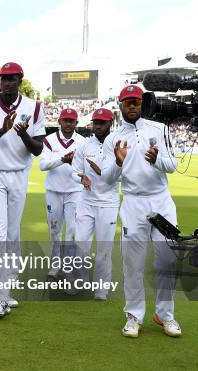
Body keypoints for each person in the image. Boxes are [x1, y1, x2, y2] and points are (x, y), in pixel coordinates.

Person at [101, 85, 181, 338]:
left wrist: (156, 159)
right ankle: (134, 316)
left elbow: (173, 165)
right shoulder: (113, 138)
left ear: (142, 103)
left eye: (136, 101)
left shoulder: (160, 129)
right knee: (132, 263)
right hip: (133, 203)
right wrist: (118, 161)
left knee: (167, 260)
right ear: (121, 105)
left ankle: (165, 315)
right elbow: (106, 179)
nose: (132, 106)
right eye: (128, 102)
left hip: (161, 202)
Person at [0, 61, 46, 318]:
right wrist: (0, 132)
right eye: (3, 79)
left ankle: (8, 288)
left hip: (19, 174)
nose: (7, 83)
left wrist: (22, 134)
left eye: (12, 79)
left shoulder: (34, 108)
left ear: (20, 81)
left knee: (12, 233)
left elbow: (37, 149)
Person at [71, 108, 119, 300]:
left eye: (102, 123)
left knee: (104, 249)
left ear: (110, 123)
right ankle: (79, 281)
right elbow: (74, 171)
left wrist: (102, 172)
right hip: (86, 201)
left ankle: (101, 288)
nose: (97, 126)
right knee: (80, 245)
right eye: (95, 123)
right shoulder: (84, 145)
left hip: (108, 203)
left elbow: (122, 174)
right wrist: (81, 178)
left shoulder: (118, 144)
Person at [39, 108, 86, 279]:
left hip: (75, 191)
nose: (68, 124)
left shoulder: (82, 141)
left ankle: (67, 264)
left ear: (76, 123)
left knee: (72, 228)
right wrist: (62, 160)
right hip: (54, 191)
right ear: (59, 121)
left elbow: (84, 166)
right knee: (54, 229)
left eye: (71, 120)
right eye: (65, 120)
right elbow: (43, 165)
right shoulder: (49, 140)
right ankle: (55, 263)